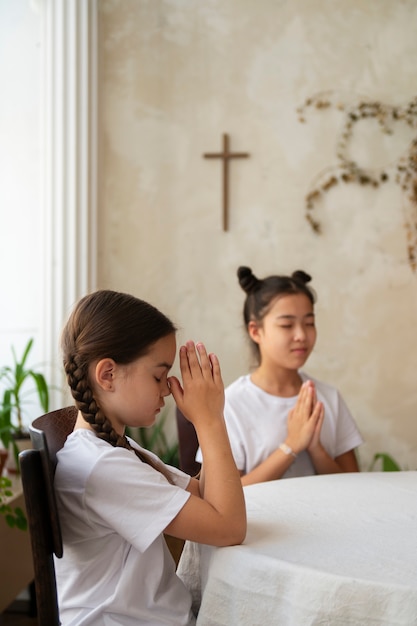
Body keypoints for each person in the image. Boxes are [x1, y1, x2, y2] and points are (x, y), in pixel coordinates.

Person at [55, 289, 246, 626]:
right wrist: (209, 421)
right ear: (108, 374)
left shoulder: (112, 448)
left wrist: (208, 420)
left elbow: (205, 497)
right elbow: (229, 528)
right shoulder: (102, 466)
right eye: (158, 375)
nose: (167, 388)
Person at [197, 266, 363, 486]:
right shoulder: (231, 405)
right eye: (287, 325)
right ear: (255, 331)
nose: (301, 335)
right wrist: (291, 446)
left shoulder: (328, 397)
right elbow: (221, 493)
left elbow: (356, 485)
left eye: (309, 323)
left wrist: (316, 449)